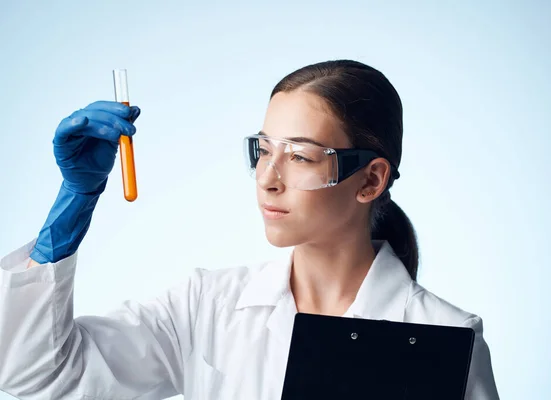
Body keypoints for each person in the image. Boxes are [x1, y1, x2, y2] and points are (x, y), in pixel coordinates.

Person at [0, 60, 500, 399]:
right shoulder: (206, 306)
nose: (267, 179)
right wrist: (71, 209)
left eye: (301, 156)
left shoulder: (445, 338)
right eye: (263, 150)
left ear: (370, 179)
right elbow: (39, 377)